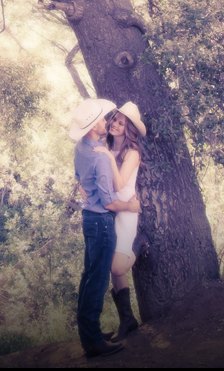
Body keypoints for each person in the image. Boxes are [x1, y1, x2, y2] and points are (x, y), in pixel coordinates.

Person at [70, 98, 141, 359]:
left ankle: (92, 335)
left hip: (100, 215)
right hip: (106, 216)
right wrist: (130, 207)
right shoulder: (101, 152)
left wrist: (83, 185)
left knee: (91, 276)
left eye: (119, 121)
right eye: (106, 119)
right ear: (94, 125)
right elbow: (109, 200)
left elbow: (84, 175)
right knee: (97, 281)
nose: (109, 122)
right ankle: (92, 341)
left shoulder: (85, 147)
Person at [93, 101, 146, 340]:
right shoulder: (105, 145)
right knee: (110, 266)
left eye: (121, 123)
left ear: (129, 129)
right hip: (108, 210)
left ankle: (139, 247)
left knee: (118, 267)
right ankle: (128, 321)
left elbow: (119, 184)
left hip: (126, 212)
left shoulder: (132, 153)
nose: (114, 124)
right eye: (114, 119)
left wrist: (109, 157)